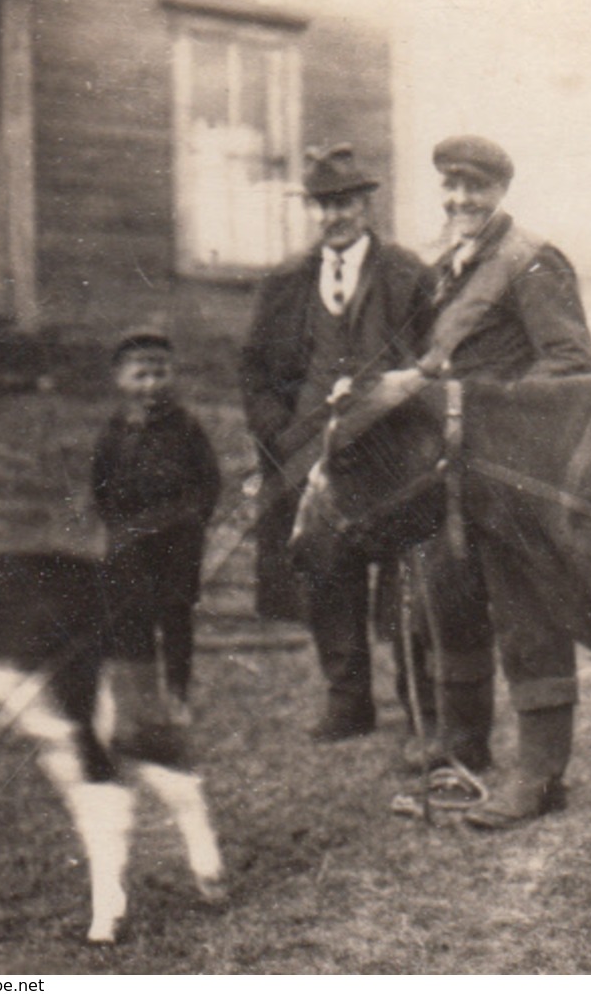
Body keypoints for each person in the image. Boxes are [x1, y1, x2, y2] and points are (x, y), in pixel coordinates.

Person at [407, 135, 591, 830]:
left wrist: (480, 404)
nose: (461, 201)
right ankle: (463, 749)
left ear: (501, 192)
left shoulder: (531, 262)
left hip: (512, 472)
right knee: (449, 601)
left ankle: (540, 775)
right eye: (451, 188)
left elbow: (571, 363)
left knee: (527, 617)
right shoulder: (447, 268)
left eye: (475, 189)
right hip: (451, 472)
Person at [238, 144, 433, 742]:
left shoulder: (407, 275)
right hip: (310, 455)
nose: (333, 217)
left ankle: (417, 699)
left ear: (367, 205)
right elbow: (255, 371)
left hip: (393, 454)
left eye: (344, 203)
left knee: (406, 575)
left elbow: (433, 362)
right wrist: (278, 433)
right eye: (323, 206)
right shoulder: (286, 284)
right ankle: (348, 700)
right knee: (326, 569)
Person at [91, 328, 221, 724]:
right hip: (130, 540)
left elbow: (209, 480)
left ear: (173, 375)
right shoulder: (114, 431)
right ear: (120, 379)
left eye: (160, 373)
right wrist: (118, 528)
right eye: (140, 374)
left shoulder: (186, 427)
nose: (151, 384)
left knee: (176, 615)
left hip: (178, 539)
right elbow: (100, 484)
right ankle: (144, 699)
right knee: (134, 620)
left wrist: (193, 519)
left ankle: (178, 694)